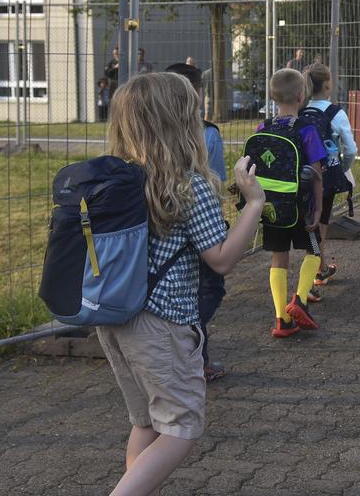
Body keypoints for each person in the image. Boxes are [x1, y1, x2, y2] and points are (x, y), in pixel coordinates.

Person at [96, 72, 264, 495]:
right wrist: (255, 201)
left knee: (148, 424)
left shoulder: (118, 181)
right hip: (163, 324)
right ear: (180, 122)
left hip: (115, 320)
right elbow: (221, 258)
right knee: (182, 429)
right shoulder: (187, 185)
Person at [165, 62, 229, 381]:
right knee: (210, 289)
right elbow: (215, 180)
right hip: (203, 229)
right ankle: (194, 349)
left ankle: (196, 352)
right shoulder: (209, 136)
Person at [261, 68, 327, 337]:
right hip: (301, 205)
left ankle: (281, 320)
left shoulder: (263, 128)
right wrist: (319, 208)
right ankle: (299, 299)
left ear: (272, 96)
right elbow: (318, 174)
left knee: (279, 259)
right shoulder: (307, 130)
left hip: (273, 207)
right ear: (302, 96)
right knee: (313, 251)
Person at [303, 63, 357, 285]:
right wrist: (343, 169)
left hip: (301, 176)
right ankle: (313, 275)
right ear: (327, 85)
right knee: (319, 225)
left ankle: (321, 266)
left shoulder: (300, 109)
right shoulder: (335, 112)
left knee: (309, 223)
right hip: (325, 177)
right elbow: (351, 149)